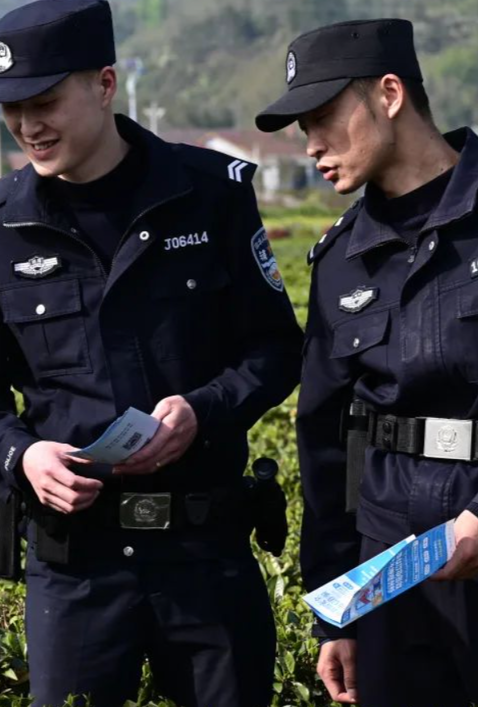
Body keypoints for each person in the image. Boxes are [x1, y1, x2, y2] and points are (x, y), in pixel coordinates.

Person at [0, 1, 303, 705]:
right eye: (11, 109)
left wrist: (204, 410)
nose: (27, 126)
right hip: (76, 567)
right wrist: (22, 457)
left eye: (44, 102)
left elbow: (276, 348)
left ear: (105, 84)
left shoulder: (209, 196)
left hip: (204, 552)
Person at [257, 18, 478, 707]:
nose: (311, 144)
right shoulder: (340, 258)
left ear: (389, 94)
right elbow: (325, 446)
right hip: (391, 562)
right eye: (303, 129)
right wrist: (335, 612)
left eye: (324, 117)